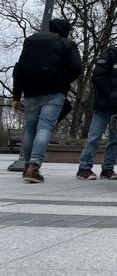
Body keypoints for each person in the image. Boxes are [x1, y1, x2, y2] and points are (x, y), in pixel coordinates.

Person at [12, 19, 81, 183]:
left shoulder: (30, 42)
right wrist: (64, 80)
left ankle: (27, 166)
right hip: (54, 91)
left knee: (30, 129)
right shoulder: (67, 44)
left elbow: (19, 68)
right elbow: (76, 67)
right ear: (64, 30)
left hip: (30, 91)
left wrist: (16, 96)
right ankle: (34, 167)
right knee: (44, 127)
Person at [77, 29, 117, 180]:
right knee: (94, 136)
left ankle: (108, 168)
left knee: (116, 139)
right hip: (105, 103)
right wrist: (109, 93)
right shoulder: (110, 53)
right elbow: (98, 75)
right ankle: (84, 167)